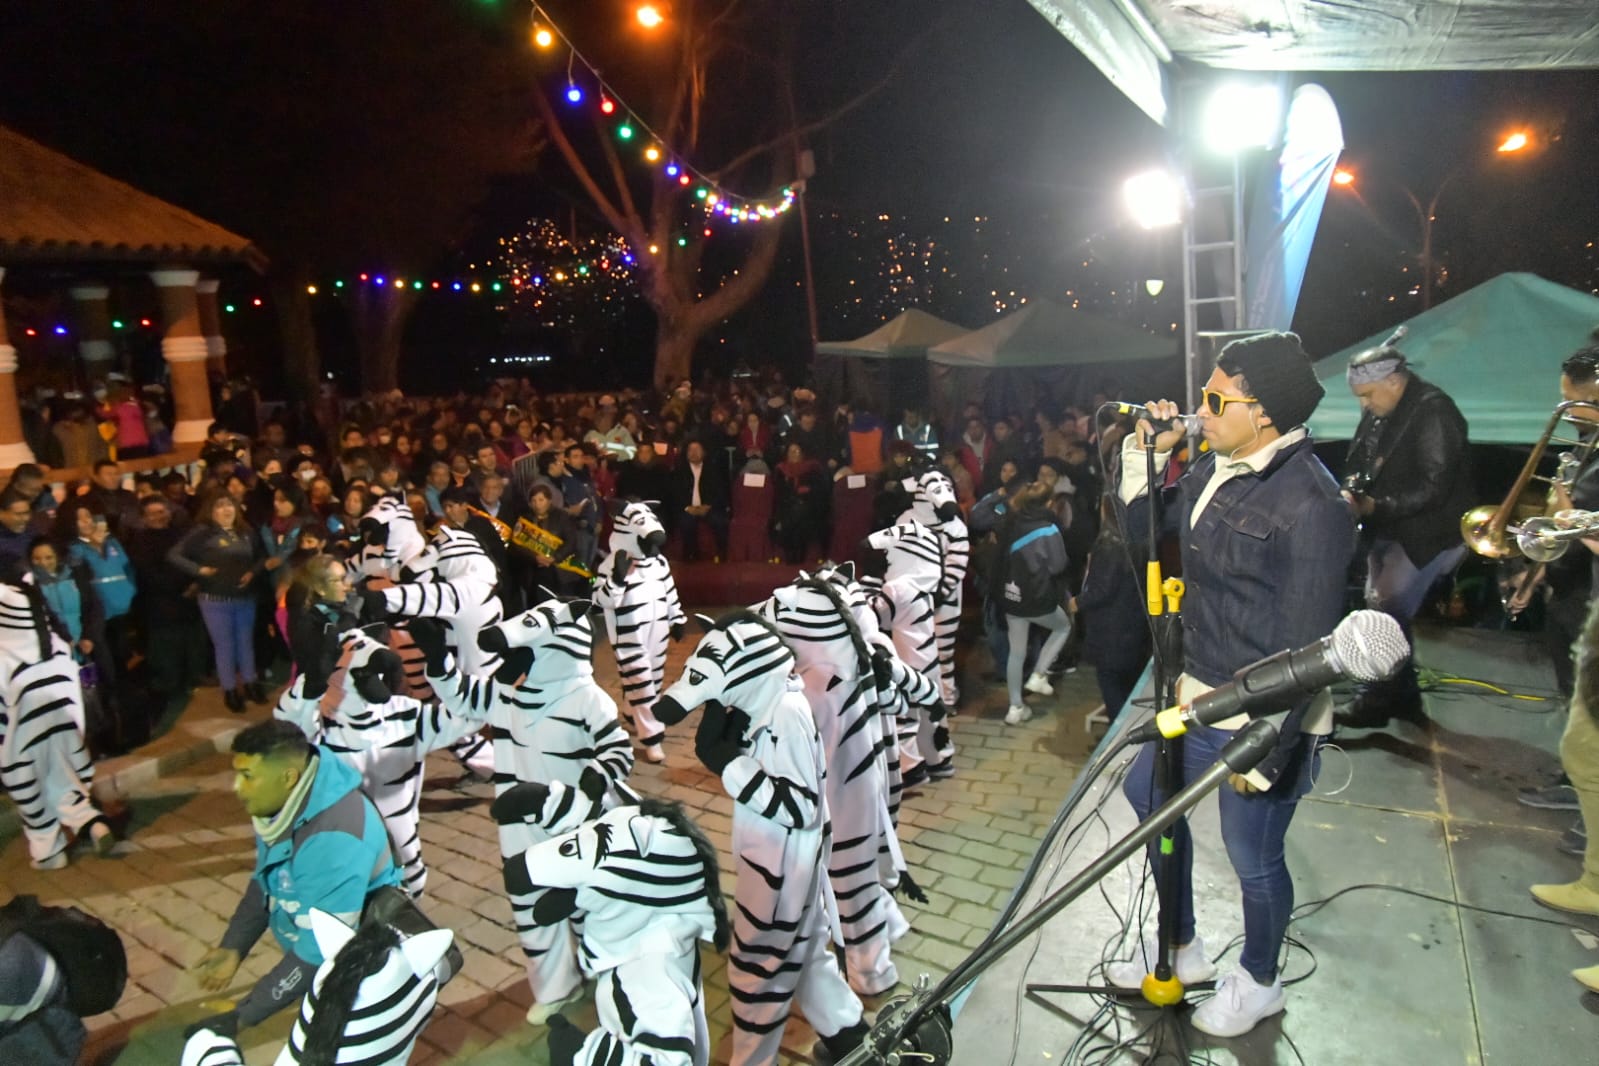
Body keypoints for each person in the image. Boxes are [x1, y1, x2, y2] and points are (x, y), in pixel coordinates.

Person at [1112, 331, 1354, 1037]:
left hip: (1262, 712)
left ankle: (1259, 978)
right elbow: (1140, 532)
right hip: (1195, 689)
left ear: (1265, 410)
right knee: (1148, 798)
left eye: (1216, 399)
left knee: (1252, 854)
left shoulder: (1313, 504)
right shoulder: (1213, 467)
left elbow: (1307, 646)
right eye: (1203, 396)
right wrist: (1143, 452)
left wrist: (1270, 750)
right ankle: (1178, 945)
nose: (1201, 410)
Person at [189, 719, 402, 1037]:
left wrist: (243, 1016)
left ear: (288, 777)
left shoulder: (334, 837)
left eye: (248, 776)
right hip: (315, 956)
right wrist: (234, 945)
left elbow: (321, 949)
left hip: (355, 971)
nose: (236, 787)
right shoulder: (283, 807)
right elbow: (267, 879)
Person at [1338, 342, 1472, 726]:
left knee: (1386, 610)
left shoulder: (1434, 410)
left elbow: (1435, 486)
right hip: (1391, 527)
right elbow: (1361, 459)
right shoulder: (1385, 409)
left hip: (1427, 532)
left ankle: (1379, 700)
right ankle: (1403, 697)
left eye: (1367, 395)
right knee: (1382, 606)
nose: (1364, 405)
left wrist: (1378, 506)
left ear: (1394, 381)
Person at [168, 494, 266, 713]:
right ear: (211, 511)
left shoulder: (246, 532)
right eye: (219, 506)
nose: (225, 510)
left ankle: (251, 683)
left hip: (245, 597)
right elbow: (174, 555)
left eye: (229, 504)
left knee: (245, 642)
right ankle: (230, 690)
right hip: (215, 599)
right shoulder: (202, 533)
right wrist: (199, 570)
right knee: (225, 645)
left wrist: (252, 572)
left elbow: (261, 558)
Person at [992, 480, 1074, 725]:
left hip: (1011, 596)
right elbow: (1059, 565)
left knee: (1016, 651)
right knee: (1063, 627)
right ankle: (1039, 674)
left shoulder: (1012, 522)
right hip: (1037, 597)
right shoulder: (1048, 528)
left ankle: (1015, 707)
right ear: (1049, 502)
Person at [126, 496, 207, 714]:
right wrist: (179, 588)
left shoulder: (180, 535)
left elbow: (195, 560)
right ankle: (168, 689)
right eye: (152, 513)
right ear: (143, 518)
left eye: (162, 511)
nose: (159, 517)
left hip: (189, 600)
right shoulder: (140, 541)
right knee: (166, 648)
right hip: (160, 602)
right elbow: (148, 573)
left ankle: (193, 679)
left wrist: (195, 584)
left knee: (191, 641)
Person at [669, 439, 729, 562]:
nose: (694, 453)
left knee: (720, 522)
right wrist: (687, 507)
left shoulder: (713, 470)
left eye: (697, 450)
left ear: (704, 452)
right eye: (690, 450)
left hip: (708, 508)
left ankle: (722, 554)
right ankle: (691, 556)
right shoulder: (679, 471)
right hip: (687, 508)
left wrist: (708, 506)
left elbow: (720, 493)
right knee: (686, 523)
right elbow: (674, 494)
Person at [774, 442, 826, 564]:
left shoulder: (811, 468)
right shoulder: (781, 470)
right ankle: (793, 554)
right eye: (791, 451)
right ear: (787, 454)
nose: (794, 454)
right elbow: (779, 493)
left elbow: (818, 492)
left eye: (797, 451)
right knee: (793, 514)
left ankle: (797, 554)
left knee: (801, 513)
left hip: (808, 506)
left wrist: (806, 492)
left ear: (802, 454)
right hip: (788, 506)